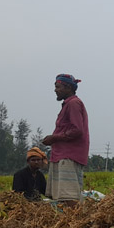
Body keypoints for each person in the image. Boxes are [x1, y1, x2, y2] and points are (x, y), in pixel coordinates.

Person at [42, 74, 90, 207]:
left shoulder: (74, 103)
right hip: (61, 154)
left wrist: (54, 138)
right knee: (62, 197)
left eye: (58, 87)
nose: (55, 90)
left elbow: (77, 130)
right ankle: (69, 223)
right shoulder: (69, 104)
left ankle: (76, 223)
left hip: (68, 155)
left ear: (68, 87)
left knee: (69, 197)